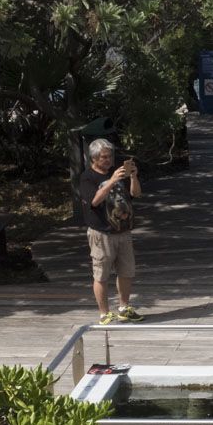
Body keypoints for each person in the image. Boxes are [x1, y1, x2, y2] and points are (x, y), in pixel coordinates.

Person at [78, 138, 143, 325]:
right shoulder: (87, 177)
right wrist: (112, 180)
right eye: (104, 157)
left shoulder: (119, 173)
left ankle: (123, 308)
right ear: (94, 158)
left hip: (123, 231)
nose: (108, 160)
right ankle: (104, 313)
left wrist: (132, 177)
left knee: (127, 271)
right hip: (101, 233)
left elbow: (135, 194)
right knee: (101, 274)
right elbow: (95, 201)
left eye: (110, 156)